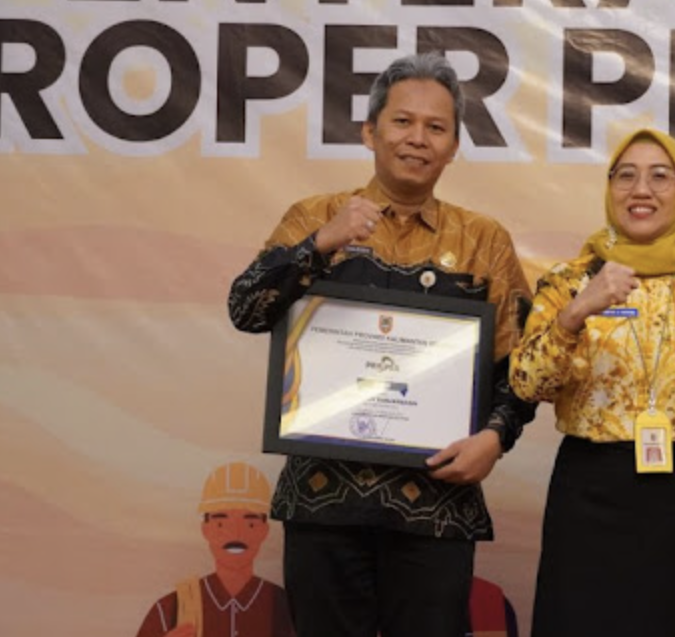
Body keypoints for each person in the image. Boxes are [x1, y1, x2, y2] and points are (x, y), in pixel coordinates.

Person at [226, 52, 535, 637]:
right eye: (402, 121)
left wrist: (495, 438)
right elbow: (246, 309)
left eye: (436, 127)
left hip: (436, 509)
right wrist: (320, 244)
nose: (418, 138)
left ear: (453, 146)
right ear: (370, 131)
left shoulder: (483, 240)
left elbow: (520, 366)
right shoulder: (315, 216)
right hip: (324, 505)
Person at [510, 128, 675, 637]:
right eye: (626, 176)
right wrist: (576, 313)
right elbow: (527, 385)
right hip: (593, 496)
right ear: (609, 187)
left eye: (660, 177)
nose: (641, 190)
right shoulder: (569, 282)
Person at [135, 463, 295, 637]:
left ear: (264, 530)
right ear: (206, 529)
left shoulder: (285, 609)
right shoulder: (170, 610)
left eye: (250, 523)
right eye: (221, 523)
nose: (235, 533)